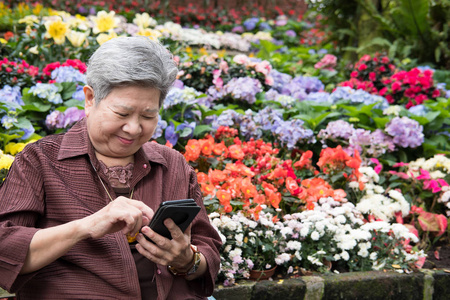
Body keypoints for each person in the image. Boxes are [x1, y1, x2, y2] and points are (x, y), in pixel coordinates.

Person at [0, 36, 222, 299]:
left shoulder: (172, 165)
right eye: (122, 114)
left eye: (148, 116)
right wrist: (87, 226)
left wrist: (187, 259)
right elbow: (4, 248)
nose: (134, 128)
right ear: (90, 99)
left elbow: (207, 250)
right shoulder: (40, 161)